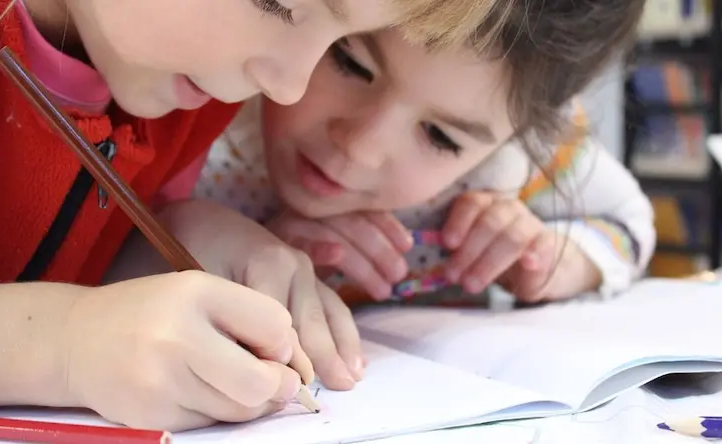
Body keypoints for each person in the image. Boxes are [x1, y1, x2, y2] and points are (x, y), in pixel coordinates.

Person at [0, 0, 507, 432]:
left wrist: (164, 242)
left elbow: (44, 256)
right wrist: (56, 346)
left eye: (339, 40)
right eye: (278, 4)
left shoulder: (183, 95)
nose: (286, 88)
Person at [192, 0, 654, 306]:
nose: (360, 147)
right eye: (349, 62)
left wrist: (558, 259)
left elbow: (629, 222)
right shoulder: (202, 107)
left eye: (441, 137)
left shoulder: (514, 166)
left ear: (517, 137)